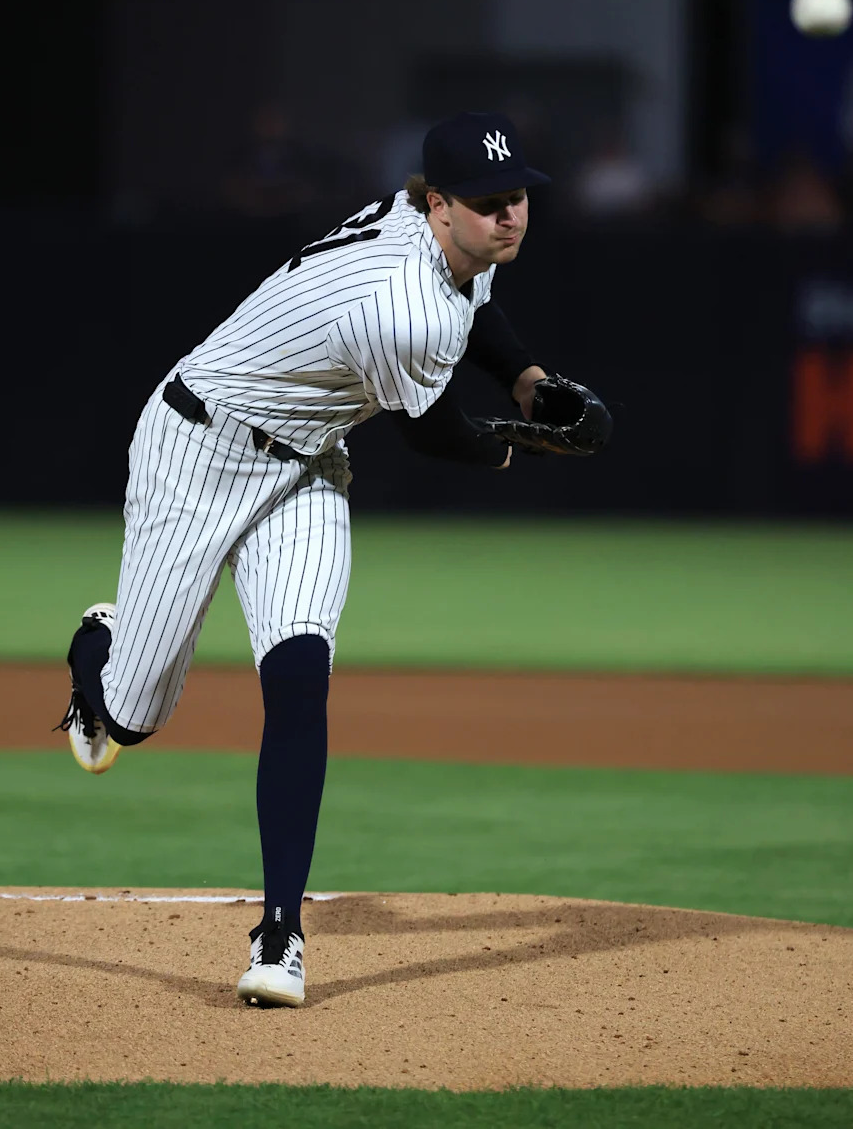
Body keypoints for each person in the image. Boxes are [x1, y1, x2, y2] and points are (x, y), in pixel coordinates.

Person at [56, 111, 551, 1008]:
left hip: (309, 468)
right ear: (437, 205)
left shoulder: (440, 242)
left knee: (298, 679)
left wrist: (528, 381)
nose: (508, 216)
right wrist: (520, 441)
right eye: (488, 204)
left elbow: (478, 308)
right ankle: (100, 646)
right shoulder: (399, 301)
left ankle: (279, 934)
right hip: (198, 452)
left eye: (517, 197)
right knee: (127, 719)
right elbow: (439, 434)